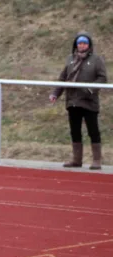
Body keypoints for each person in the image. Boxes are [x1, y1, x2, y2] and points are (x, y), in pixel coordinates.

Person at [50, 31, 107, 170]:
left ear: (89, 45)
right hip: (72, 101)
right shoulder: (70, 59)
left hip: (89, 101)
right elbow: (63, 78)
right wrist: (55, 94)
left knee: (93, 130)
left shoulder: (96, 60)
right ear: (76, 44)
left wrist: (89, 89)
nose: (82, 45)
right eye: (80, 43)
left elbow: (102, 78)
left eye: (84, 43)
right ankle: (76, 159)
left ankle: (97, 160)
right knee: (74, 130)